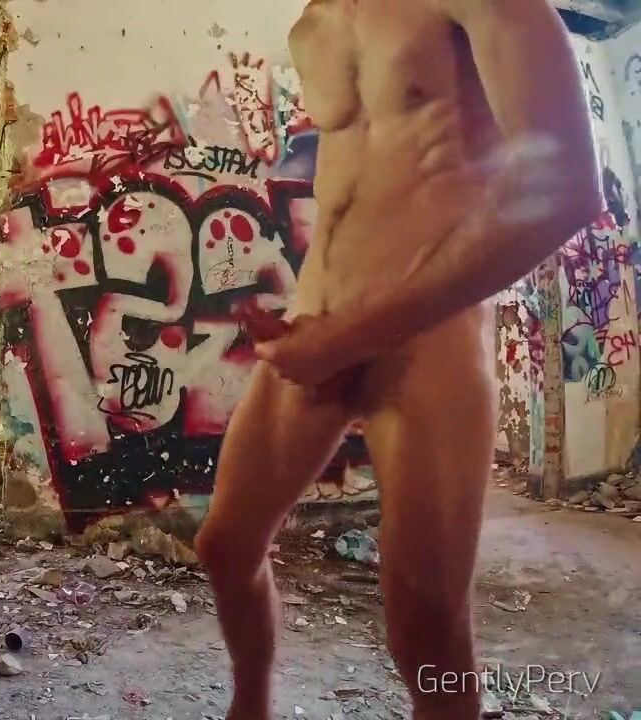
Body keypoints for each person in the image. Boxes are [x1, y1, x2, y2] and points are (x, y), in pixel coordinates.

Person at [194, 1, 602, 718]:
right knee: (226, 546)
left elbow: (566, 187)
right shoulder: (314, 23)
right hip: (318, 322)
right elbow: (361, 183)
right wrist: (312, 319)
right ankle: (250, 706)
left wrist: (351, 336)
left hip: (430, 339)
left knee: (426, 616)